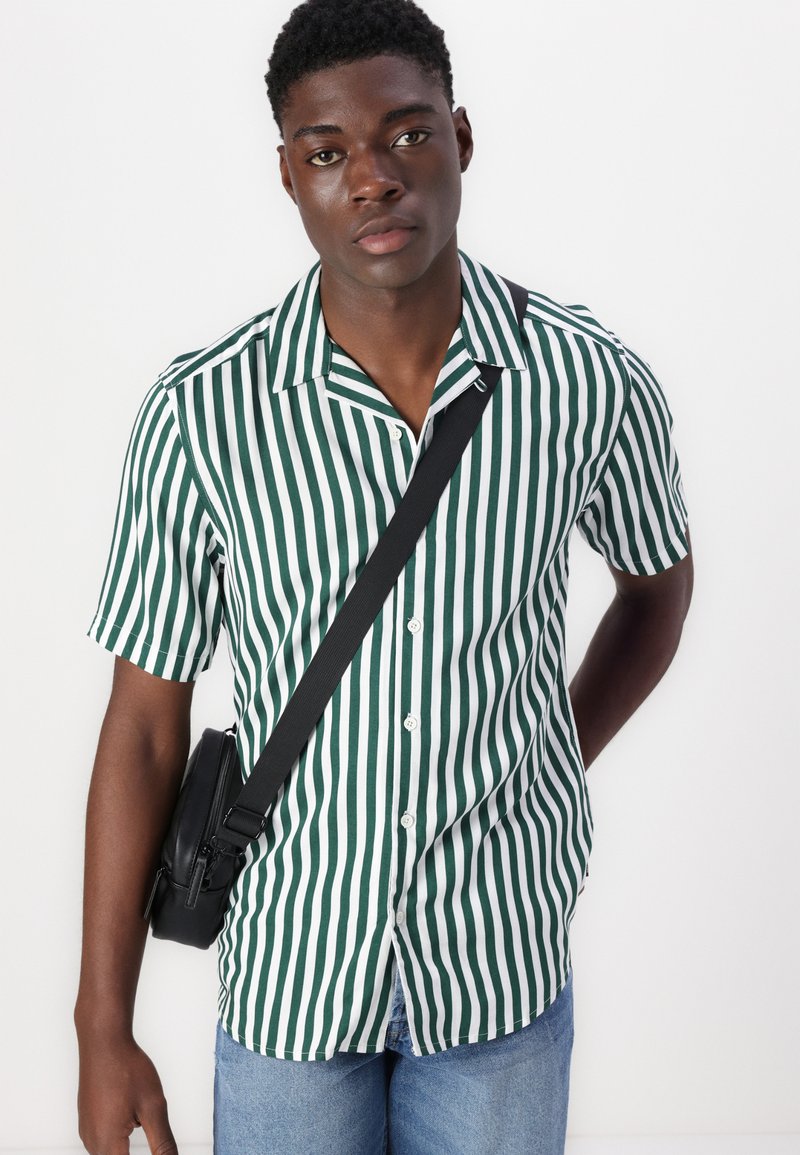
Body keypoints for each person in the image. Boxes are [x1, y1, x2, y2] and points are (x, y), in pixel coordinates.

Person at [74, 1, 694, 1152]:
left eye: (407, 135)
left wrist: (548, 754)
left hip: (497, 971)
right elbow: (146, 725)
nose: (372, 179)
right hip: (293, 984)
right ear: (287, 175)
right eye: (327, 153)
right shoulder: (202, 415)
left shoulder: (586, 383)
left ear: (461, 138)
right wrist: (100, 1027)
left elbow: (654, 589)